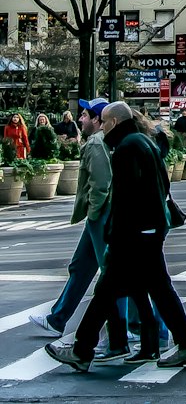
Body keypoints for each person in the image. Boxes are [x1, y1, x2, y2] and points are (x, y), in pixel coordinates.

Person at [44, 102, 186, 373]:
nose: (102, 127)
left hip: (132, 236)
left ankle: (83, 350)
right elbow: (162, 186)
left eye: (105, 122)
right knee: (156, 291)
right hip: (149, 231)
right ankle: (184, 344)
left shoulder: (125, 149)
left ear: (115, 123)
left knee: (107, 292)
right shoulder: (145, 143)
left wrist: (114, 235)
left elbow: (124, 200)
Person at [29, 100, 118, 342]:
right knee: (81, 267)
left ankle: (129, 328)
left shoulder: (97, 143)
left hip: (101, 215)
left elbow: (101, 185)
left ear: (98, 119)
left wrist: (94, 213)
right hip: (99, 215)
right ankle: (57, 318)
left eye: (85, 116)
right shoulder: (100, 141)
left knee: (113, 274)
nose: (80, 120)